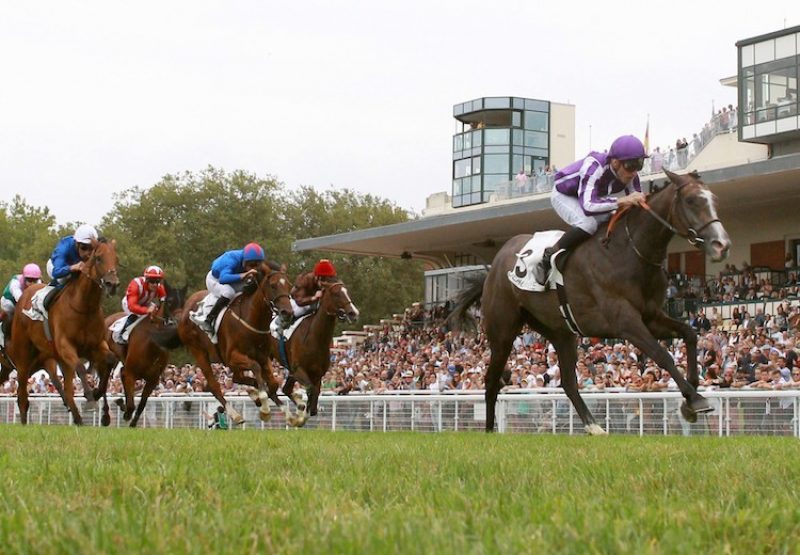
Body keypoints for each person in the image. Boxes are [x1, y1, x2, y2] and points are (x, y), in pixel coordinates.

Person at [536, 135, 647, 284]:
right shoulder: (594, 166)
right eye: (631, 165)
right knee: (588, 223)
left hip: (587, 197)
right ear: (615, 162)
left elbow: (638, 202)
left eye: (639, 164)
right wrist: (623, 201)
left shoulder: (630, 174)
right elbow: (588, 206)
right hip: (564, 195)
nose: (634, 172)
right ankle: (549, 256)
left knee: (615, 218)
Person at [204, 242, 265, 330]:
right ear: (244, 261)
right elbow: (223, 279)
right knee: (229, 292)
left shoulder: (250, 258)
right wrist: (245, 275)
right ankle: (209, 319)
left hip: (232, 277)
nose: (254, 268)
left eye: (257, 265)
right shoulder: (231, 259)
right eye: (251, 265)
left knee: (251, 286)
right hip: (215, 279)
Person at [271, 259, 338, 336]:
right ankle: (280, 323)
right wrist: (314, 297)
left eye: (328, 280)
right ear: (318, 277)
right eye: (325, 280)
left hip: (312, 303)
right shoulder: (305, 279)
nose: (326, 283)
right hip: (296, 301)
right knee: (299, 311)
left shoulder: (323, 282)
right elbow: (299, 301)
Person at [43, 224, 98, 309]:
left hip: (74, 267)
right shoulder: (64, 248)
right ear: (76, 244)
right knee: (64, 279)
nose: (88, 253)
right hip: (55, 267)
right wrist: (72, 267)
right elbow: (56, 272)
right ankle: (46, 301)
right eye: (84, 248)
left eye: (91, 249)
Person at [116, 265, 168, 343]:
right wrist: (147, 310)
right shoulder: (136, 284)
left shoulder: (160, 287)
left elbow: (163, 301)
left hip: (146, 303)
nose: (155, 284)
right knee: (134, 316)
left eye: (157, 281)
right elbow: (132, 306)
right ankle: (122, 333)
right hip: (130, 304)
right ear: (146, 280)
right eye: (152, 281)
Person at [1, 263, 43, 338]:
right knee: (12, 315)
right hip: (10, 301)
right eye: (29, 280)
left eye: (35, 280)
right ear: (24, 277)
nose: (32, 283)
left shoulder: (39, 282)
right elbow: (20, 299)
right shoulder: (15, 283)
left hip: (26, 301)